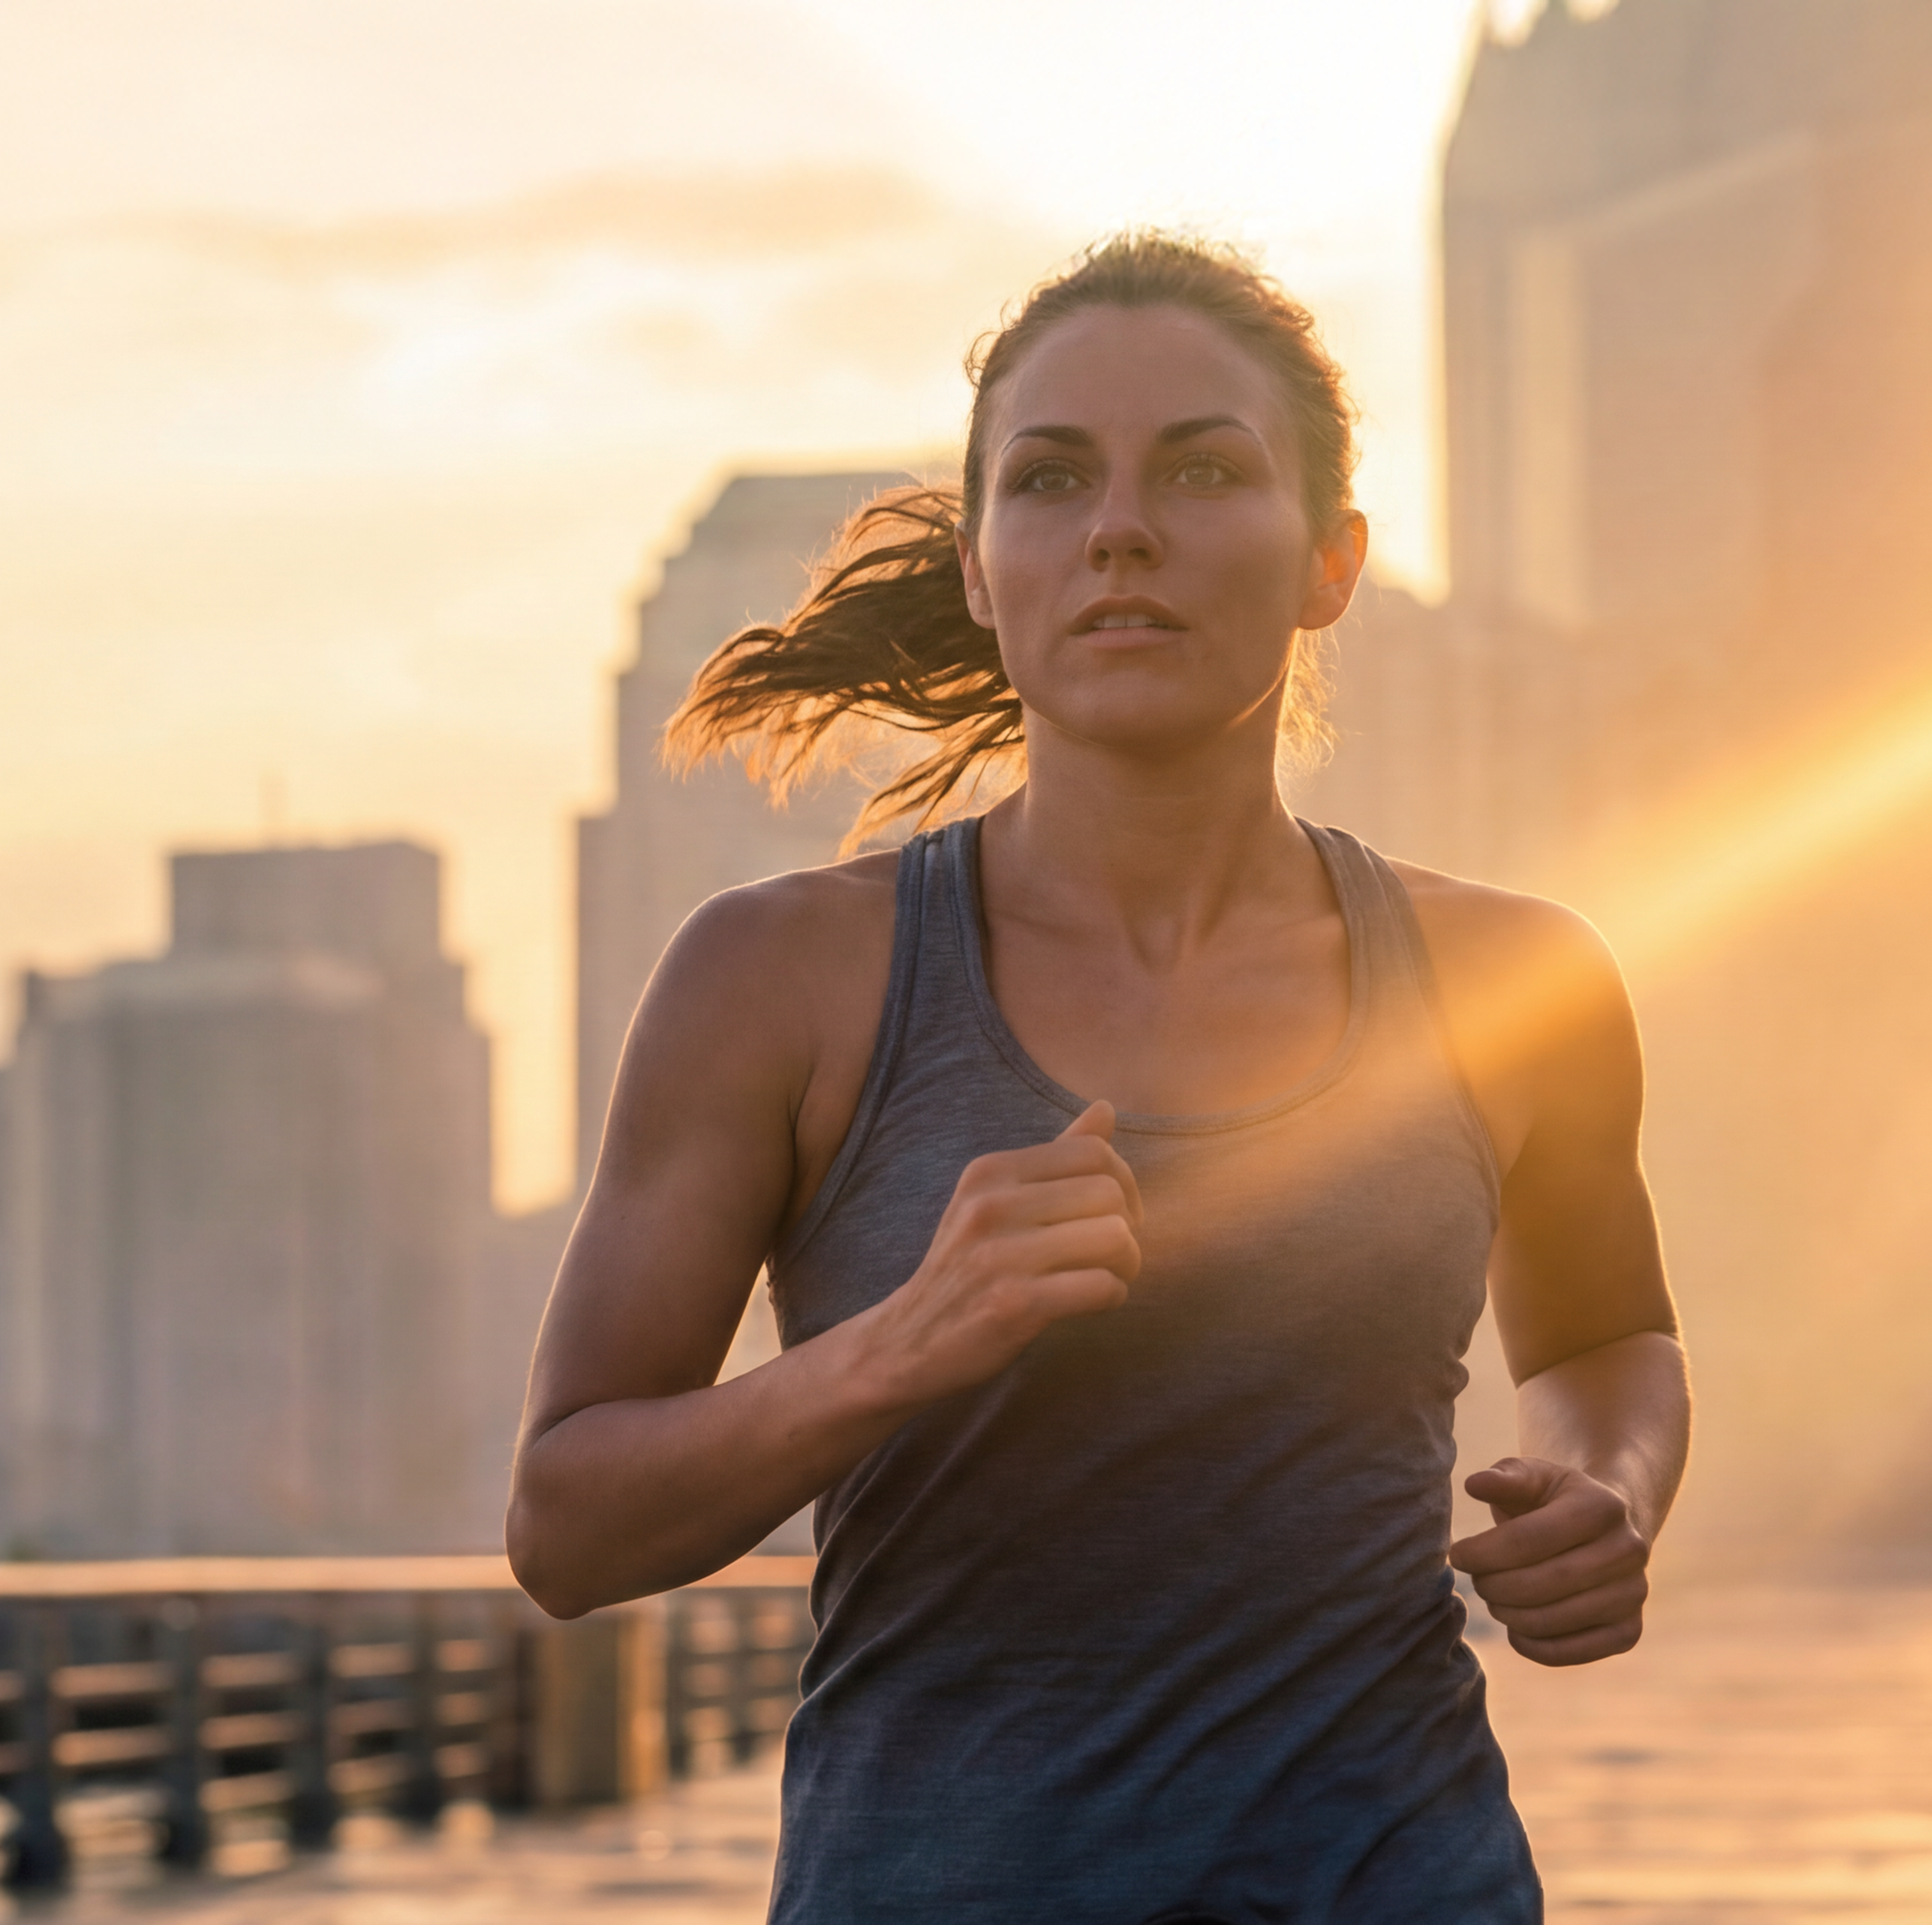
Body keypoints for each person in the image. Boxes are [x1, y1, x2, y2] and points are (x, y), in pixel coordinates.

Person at [503, 231, 1688, 1923]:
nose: (1121, 527)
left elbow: (1600, 1342)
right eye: (1052, 480)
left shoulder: (1517, 979)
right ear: (986, 569)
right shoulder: (778, 979)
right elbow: (567, 1528)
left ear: (1328, 563)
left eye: (1204, 470)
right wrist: (895, 1345)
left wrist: (1606, 1489)